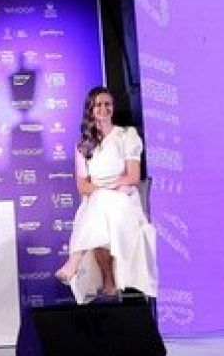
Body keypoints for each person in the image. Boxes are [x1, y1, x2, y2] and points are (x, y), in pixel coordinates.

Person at [53, 86, 158, 303]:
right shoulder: (84, 144)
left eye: (107, 104)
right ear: (90, 110)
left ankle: (75, 261)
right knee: (98, 208)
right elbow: (82, 185)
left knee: (100, 204)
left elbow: (132, 176)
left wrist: (105, 189)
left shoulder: (127, 135)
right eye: (98, 104)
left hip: (123, 200)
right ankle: (108, 279)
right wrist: (100, 192)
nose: (103, 108)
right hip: (96, 202)